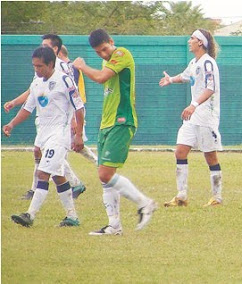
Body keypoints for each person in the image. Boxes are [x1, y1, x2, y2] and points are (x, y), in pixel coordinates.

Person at [73, 29, 157, 235]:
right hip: (106, 123)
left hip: (122, 121)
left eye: (104, 49)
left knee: (105, 173)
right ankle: (114, 225)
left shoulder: (122, 54)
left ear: (112, 42)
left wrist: (82, 66)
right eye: (98, 52)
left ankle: (145, 203)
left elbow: (101, 78)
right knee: (104, 177)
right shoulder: (106, 61)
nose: (103, 54)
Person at [3, 46, 84, 227]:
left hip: (59, 134)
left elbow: (79, 107)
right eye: (34, 66)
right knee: (57, 176)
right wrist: (12, 124)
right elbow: (27, 109)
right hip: (43, 135)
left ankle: (30, 215)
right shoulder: (36, 83)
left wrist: (78, 134)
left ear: (50, 64)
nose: (36, 70)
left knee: (43, 172)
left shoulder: (65, 81)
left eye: (39, 66)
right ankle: (72, 217)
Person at [159, 29, 223, 207]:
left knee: (210, 156)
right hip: (193, 117)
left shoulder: (208, 63)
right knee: (180, 151)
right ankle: (181, 196)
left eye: (192, 38)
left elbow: (210, 88)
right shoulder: (194, 62)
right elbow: (186, 76)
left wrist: (193, 105)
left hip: (206, 116)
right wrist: (170, 80)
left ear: (200, 43)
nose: (189, 41)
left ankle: (217, 198)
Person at [59, 44, 99, 195]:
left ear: (59, 53)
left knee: (58, 150)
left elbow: (74, 95)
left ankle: (74, 183)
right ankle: (99, 164)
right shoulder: (65, 67)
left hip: (73, 112)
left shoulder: (70, 68)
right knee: (76, 146)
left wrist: (74, 120)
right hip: (70, 113)